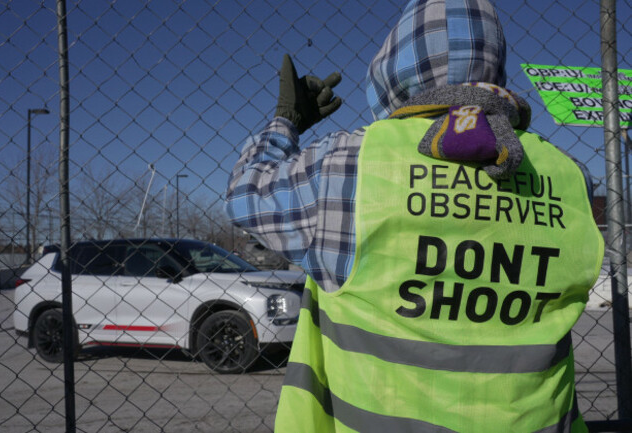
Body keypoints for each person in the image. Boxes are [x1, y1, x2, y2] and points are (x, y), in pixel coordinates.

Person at [225, 0, 604, 431]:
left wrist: (286, 123)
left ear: (392, 66)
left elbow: (246, 195)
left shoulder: (349, 163)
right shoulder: (569, 176)